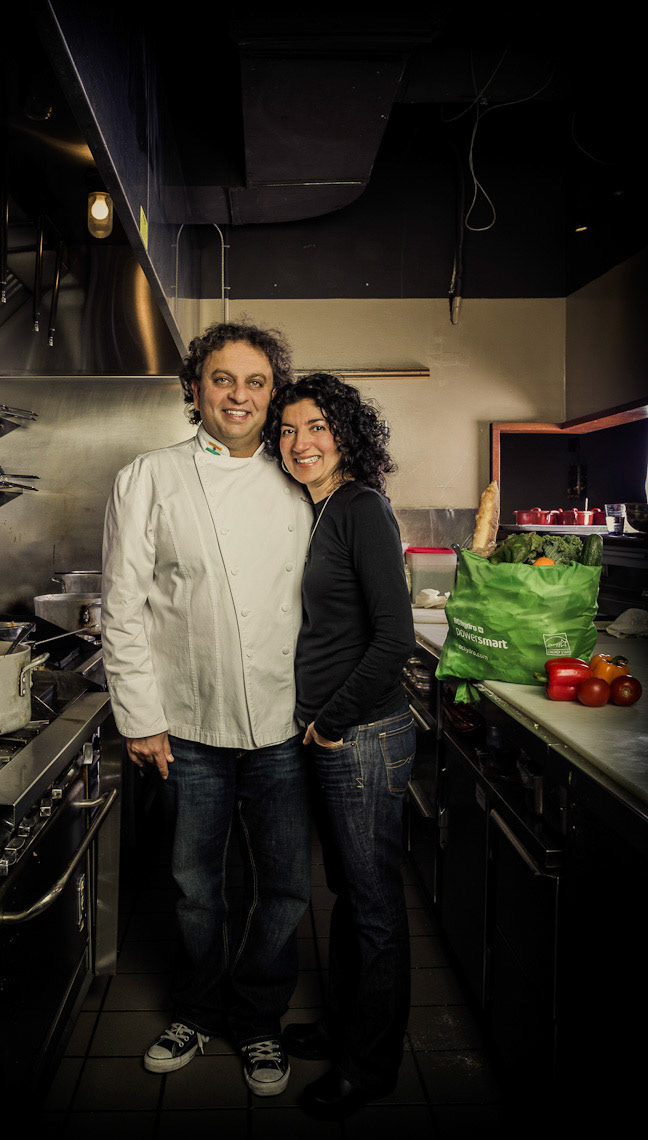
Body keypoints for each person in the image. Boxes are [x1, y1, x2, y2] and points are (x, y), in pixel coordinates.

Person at [101, 321, 313, 1097]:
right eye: (223, 379)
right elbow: (121, 608)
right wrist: (140, 717)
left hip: (285, 723)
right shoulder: (148, 477)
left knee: (284, 885)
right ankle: (194, 1009)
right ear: (195, 388)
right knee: (196, 884)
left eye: (256, 382)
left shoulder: (301, 479)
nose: (239, 395)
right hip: (187, 724)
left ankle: (257, 1020)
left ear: (273, 393)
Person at [264, 371, 417, 1119]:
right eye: (288, 430)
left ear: (346, 435)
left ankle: (370, 1066)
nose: (301, 443)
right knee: (352, 898)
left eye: (317, 427)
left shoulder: (361, 507)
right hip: (332, 735)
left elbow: (395, 639)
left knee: (374, 906)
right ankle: (346, 1028)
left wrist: (330, 722)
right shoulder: (317, 508)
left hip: (361, 736)